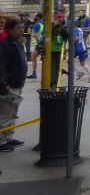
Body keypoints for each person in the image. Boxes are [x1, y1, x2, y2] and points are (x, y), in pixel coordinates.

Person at [0, 16, 28, 152]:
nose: (21, 30)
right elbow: (2, 66)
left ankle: (9, 137)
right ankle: (1, 140)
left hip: (17, 83)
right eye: (18, 28)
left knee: (13, 113)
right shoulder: (6, 45)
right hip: (10, 85)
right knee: (6, 113)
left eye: (22, 27)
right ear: (10, 29)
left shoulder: (17, 43)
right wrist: (4, 83)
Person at [72, 16, 90, 83]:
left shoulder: (74, 30)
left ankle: (79, 72)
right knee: (83, 62)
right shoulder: (80, 29)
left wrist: (71, 41)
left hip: (76, 48)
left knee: (69, 61)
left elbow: (76, 38)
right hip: (82, 47)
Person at [50, 14, 67, 88]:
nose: (60, 21)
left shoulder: (63, 27)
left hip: (59, 49)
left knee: (58, 67)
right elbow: (48, 33)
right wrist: (54, 25)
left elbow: (66, 36)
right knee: (52, 67)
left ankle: (56, 81)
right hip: (51, 49)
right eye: (59, 20)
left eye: (62, 20)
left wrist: (62, 28)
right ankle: (51, 81)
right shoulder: (52, 26)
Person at [27, 12, 44, 79]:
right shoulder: (44, 23)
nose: (33, 17)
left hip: (39, 44)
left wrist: (30, 33)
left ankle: (34, 73)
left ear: (38, 17)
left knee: (33, 57)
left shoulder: (36, 25)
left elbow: (35, 35)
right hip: (44, 43)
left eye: (34, 16)